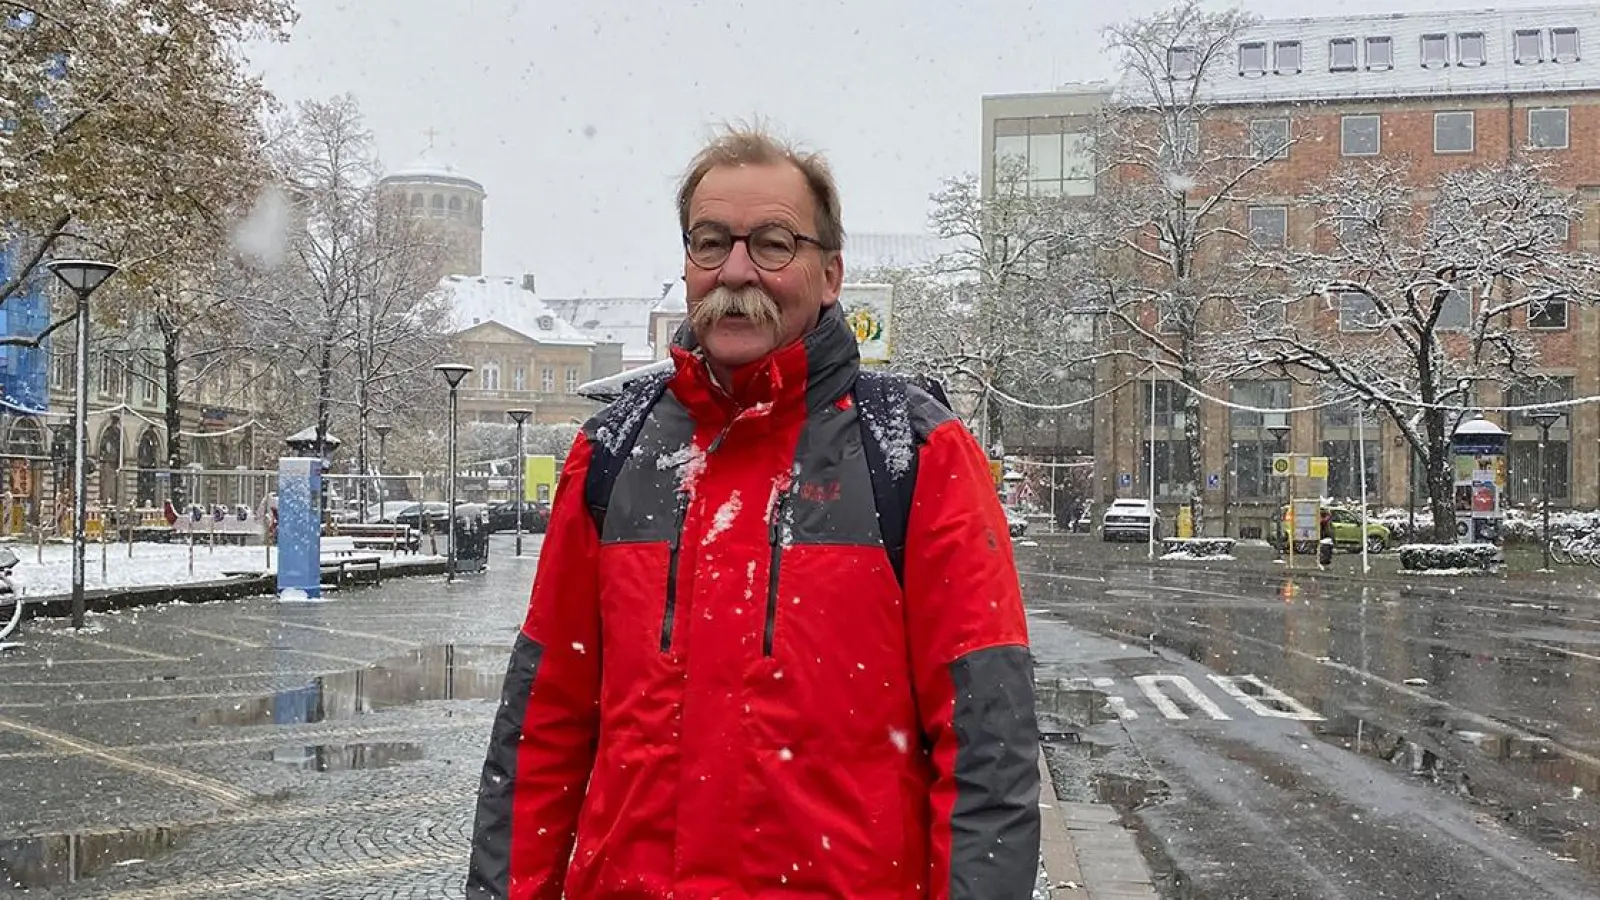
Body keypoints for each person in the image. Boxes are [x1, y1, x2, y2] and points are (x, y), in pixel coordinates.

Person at [466, 125, 1040, 900]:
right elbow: (544, 728)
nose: (737, 270)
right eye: (711, 242)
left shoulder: (915, 454)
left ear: (831, 273)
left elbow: (986, 751)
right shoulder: (613, 450)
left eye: (772, 243)